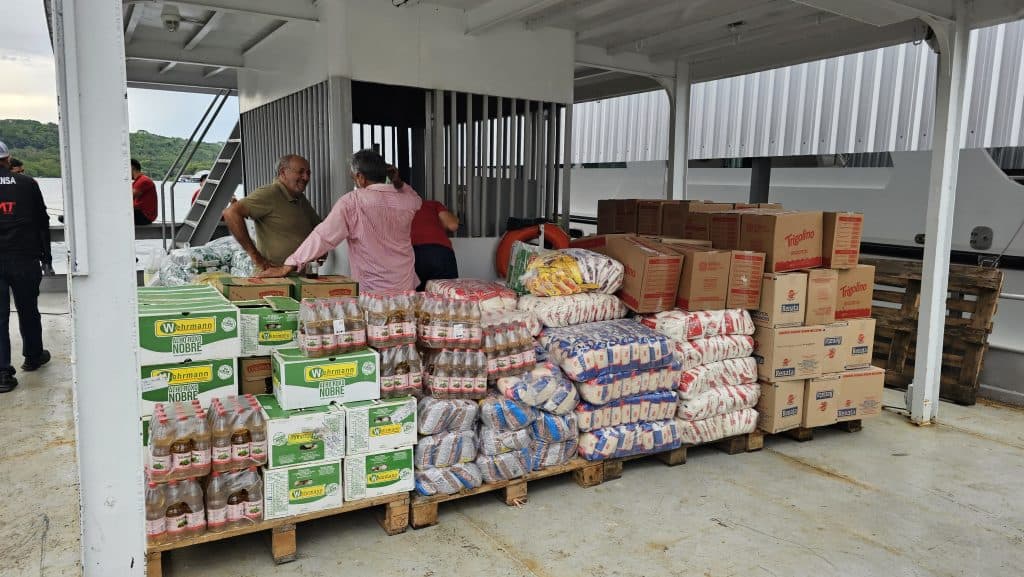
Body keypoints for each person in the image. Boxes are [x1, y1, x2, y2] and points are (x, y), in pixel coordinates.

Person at [258, 150, 422, 293]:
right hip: (406, 289)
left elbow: (323, 236)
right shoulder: (407, 201)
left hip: (374, 293)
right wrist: (397, 180)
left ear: (360, 177)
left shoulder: (353, 202)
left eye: (354, 177)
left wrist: (289, 265)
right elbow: (416, 199)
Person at [0, 141, 53, 393]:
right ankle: (32, 357)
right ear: (7, 160)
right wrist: (47, 258)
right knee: (28, 309)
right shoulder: (28, 183)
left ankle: (2, 374)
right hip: (24, 258)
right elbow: (43, 221)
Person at [223, 154, 321, 272]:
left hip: (298, 276)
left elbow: (318, 226)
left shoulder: (300, 198)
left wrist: (321, 249)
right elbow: (231, 213)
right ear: (283, 172)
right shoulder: (269, 193)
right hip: (273, 278)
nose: (305, 177)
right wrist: (256, 258)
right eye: (300, 172)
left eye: (308, 173)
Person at [411, 196, 460, 291]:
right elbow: (452, 225)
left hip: (411, 254)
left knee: (418, 300)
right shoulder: (433, 204)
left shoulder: (398, 208)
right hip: (440, 253)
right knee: (446, 295)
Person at [131, 158, 158, 225]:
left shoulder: (143, 180)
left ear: (131, 167)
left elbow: (128, 197)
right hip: (140, 214)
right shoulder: (137, 181)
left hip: (145, 216)